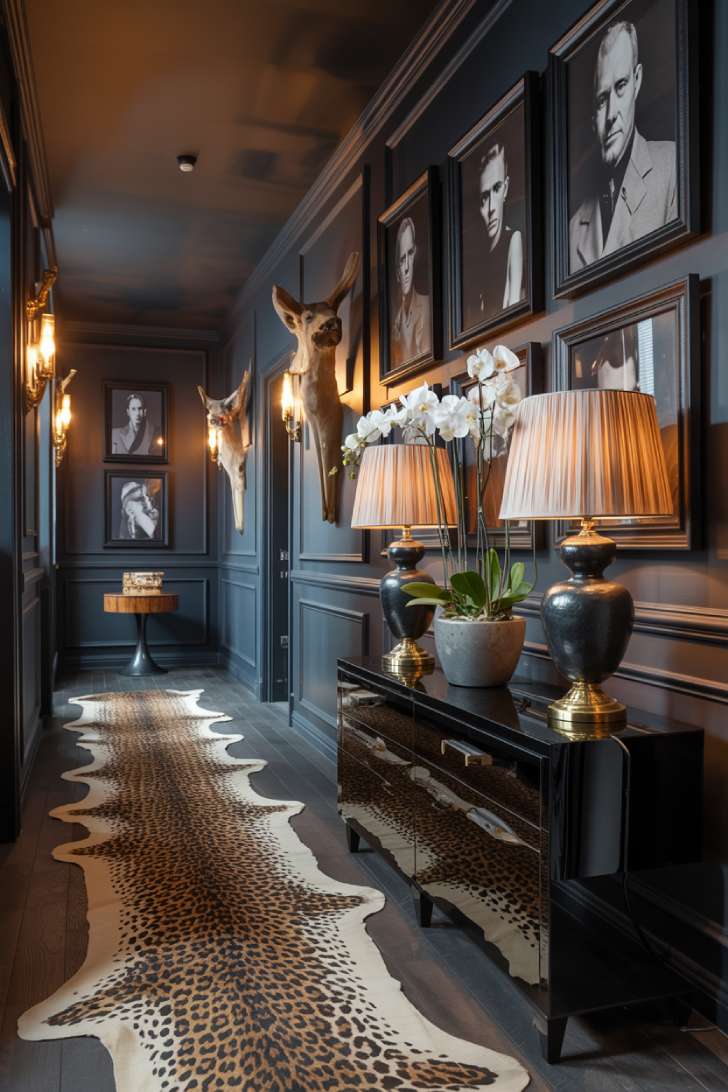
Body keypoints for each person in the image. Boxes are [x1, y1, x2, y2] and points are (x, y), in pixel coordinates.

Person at [569, 20, 676, 271]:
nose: (610, 114)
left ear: (637, 80)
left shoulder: (673, 167)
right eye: (601, 100)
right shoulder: (573, 230)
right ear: (593, 118)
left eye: (620, 86)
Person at [477, 142, 524, 318]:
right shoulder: (482, 258)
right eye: (484, 197)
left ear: (506, 188)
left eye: (496, 189)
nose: (490, 208)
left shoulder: (514, 239)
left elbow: (513, 312)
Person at [391, 216, 431, 365]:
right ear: (397, 273)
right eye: (402, 260)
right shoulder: (395, 325)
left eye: (410, 253)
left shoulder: (427, 305)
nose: (407, 267)